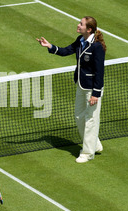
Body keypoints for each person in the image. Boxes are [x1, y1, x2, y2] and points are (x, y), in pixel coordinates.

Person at [36, 16, 106, 163]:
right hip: (80, 85)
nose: (78, 25)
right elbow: (66, 51)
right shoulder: (80, 40)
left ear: (89, 29)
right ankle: (95, 143)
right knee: (79, 116)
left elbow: (99, 71)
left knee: (91, 120)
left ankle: (87, 153)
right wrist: (50, 46)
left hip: (92, 88)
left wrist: (96, 94)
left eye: (81, 24)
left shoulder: (97, 47)